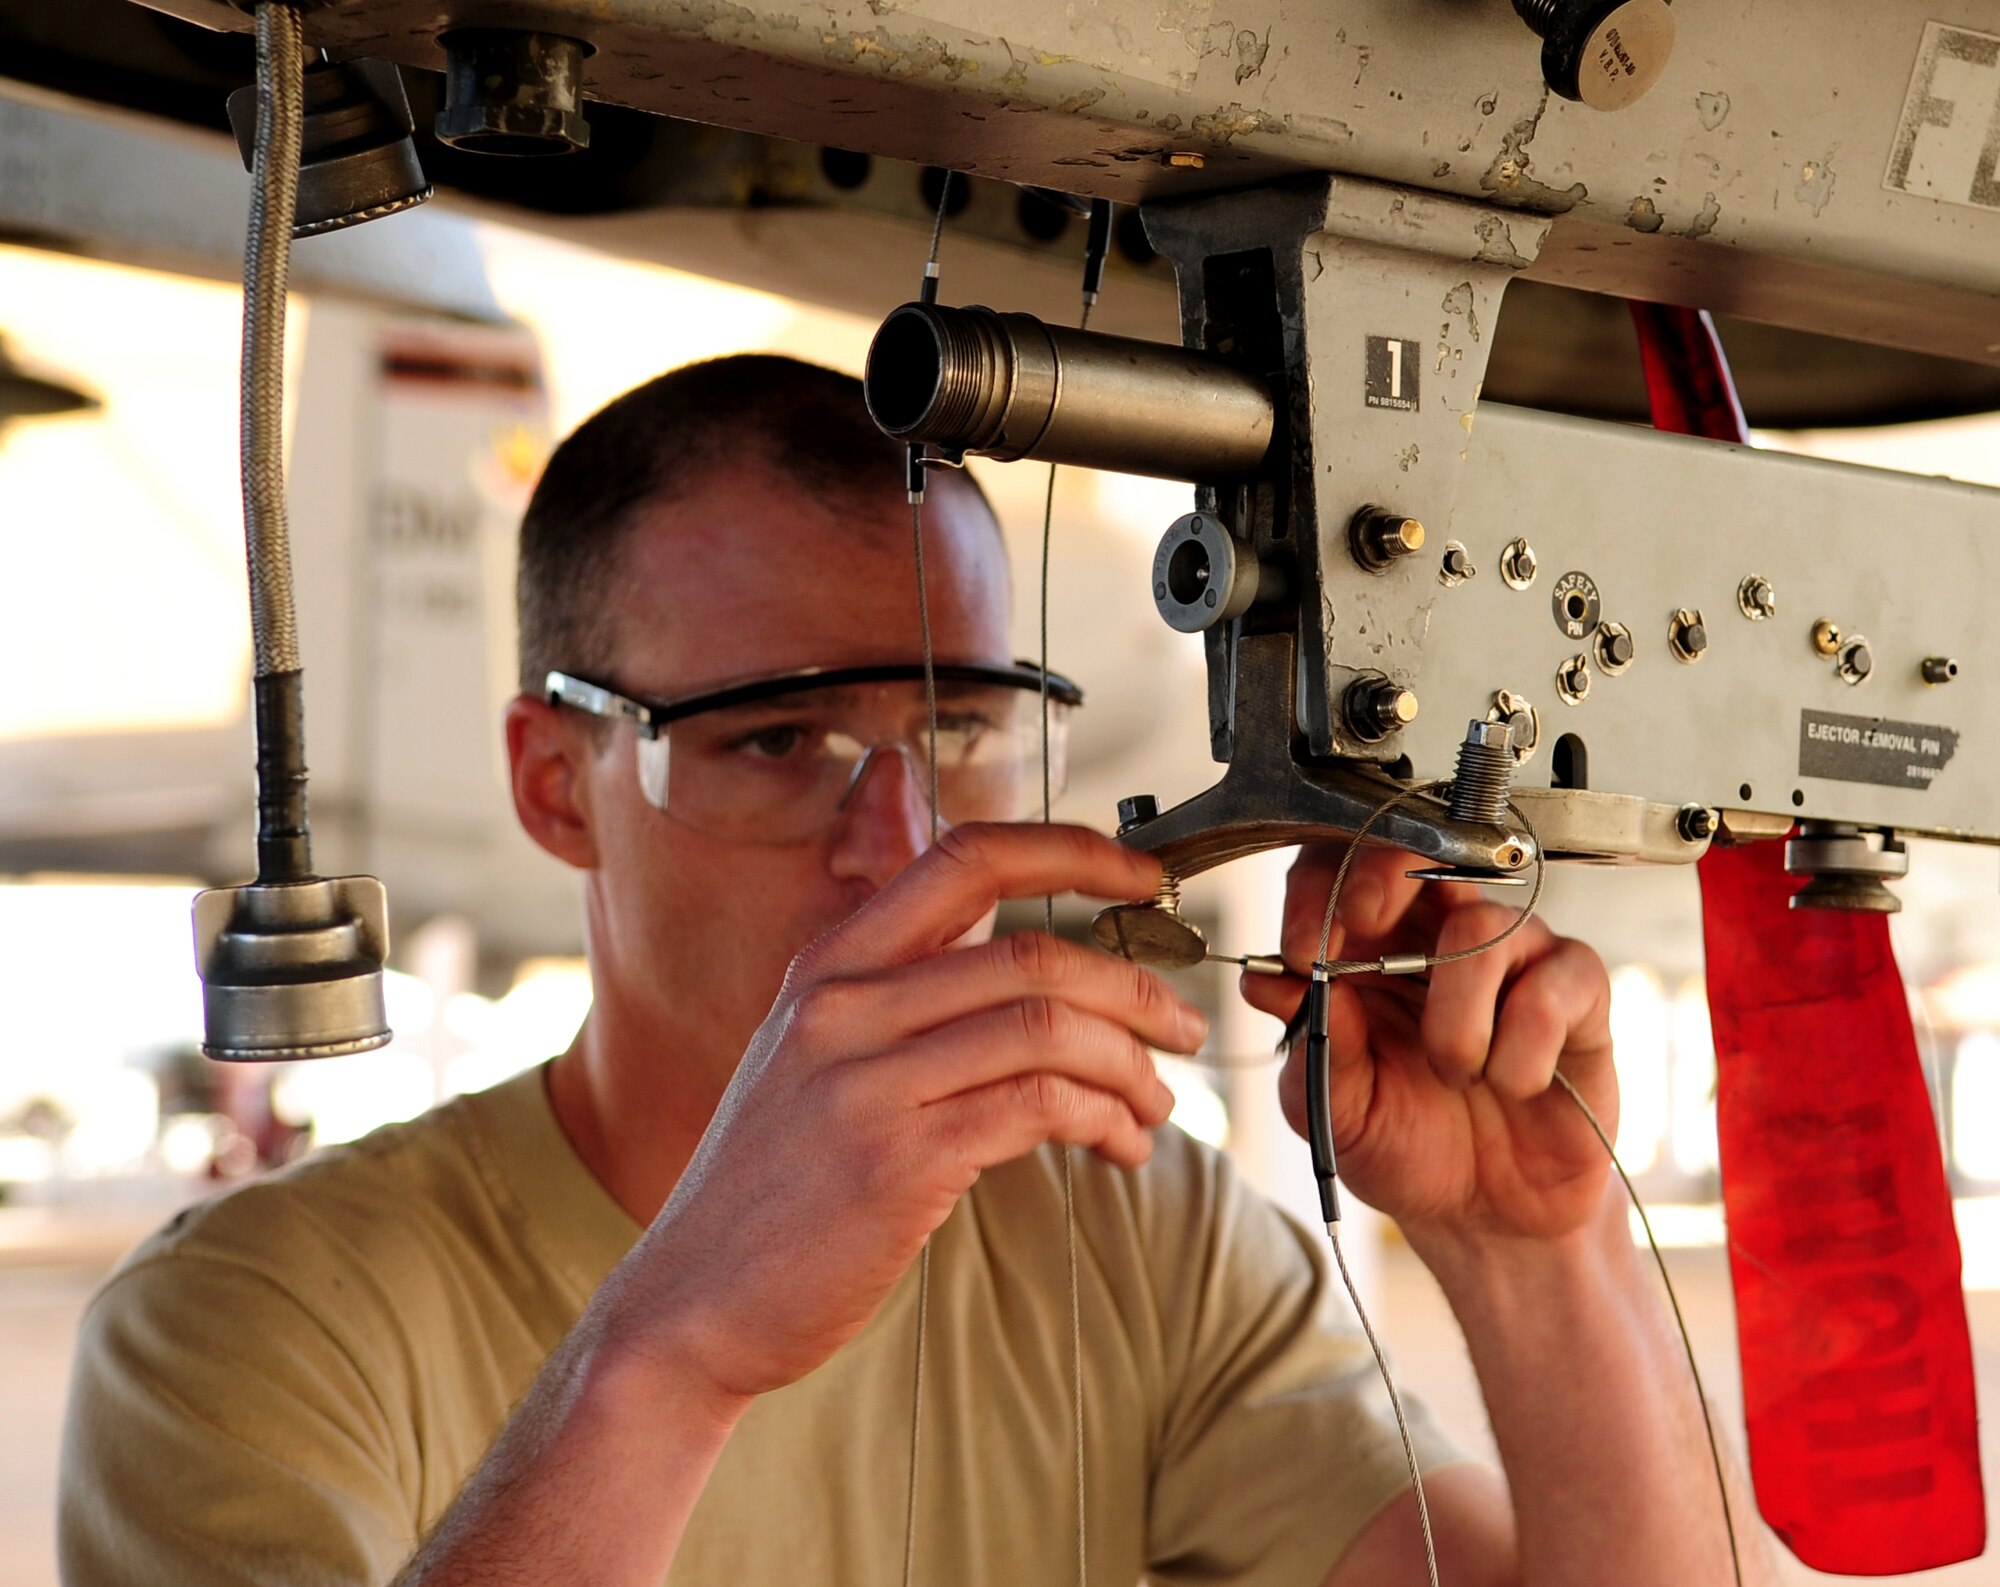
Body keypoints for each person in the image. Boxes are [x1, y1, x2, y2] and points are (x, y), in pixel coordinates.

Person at [59, 354, 1770, 1587]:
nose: (904, 844)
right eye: (778, 739)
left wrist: (1529, 1255)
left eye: (959, 732)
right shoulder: (250, 1323)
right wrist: (674, 1353)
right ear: (553, 782)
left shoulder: (1124, 1231)